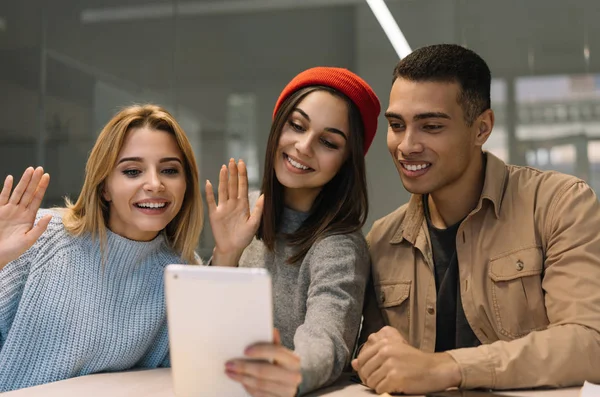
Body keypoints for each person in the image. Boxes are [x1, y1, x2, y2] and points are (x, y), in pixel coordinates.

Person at [351, 43, 600, 395]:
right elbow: (374, 358)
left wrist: (448, 367)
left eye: (431, 126)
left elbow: (590, 343)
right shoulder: (381, 239)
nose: (406, 145)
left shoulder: (559, 205)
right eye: (396, 124)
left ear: (482, 128)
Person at [0, 104, 204, 392]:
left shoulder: (184, 269)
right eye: (132, 171)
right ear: (104, 186)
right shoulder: (39, 238)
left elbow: (191, 376)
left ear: (186, 184)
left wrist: (228, 253)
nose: (155, 184)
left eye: (170, 170)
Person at [205, 67, 381, 396]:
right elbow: (202, 334)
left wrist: (294, 371)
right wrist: (226, 252)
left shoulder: (339, 244)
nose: (303, 146)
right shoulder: (246, 213)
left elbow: (327, 337)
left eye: (328, 142)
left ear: (347, 161)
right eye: (297, 125)